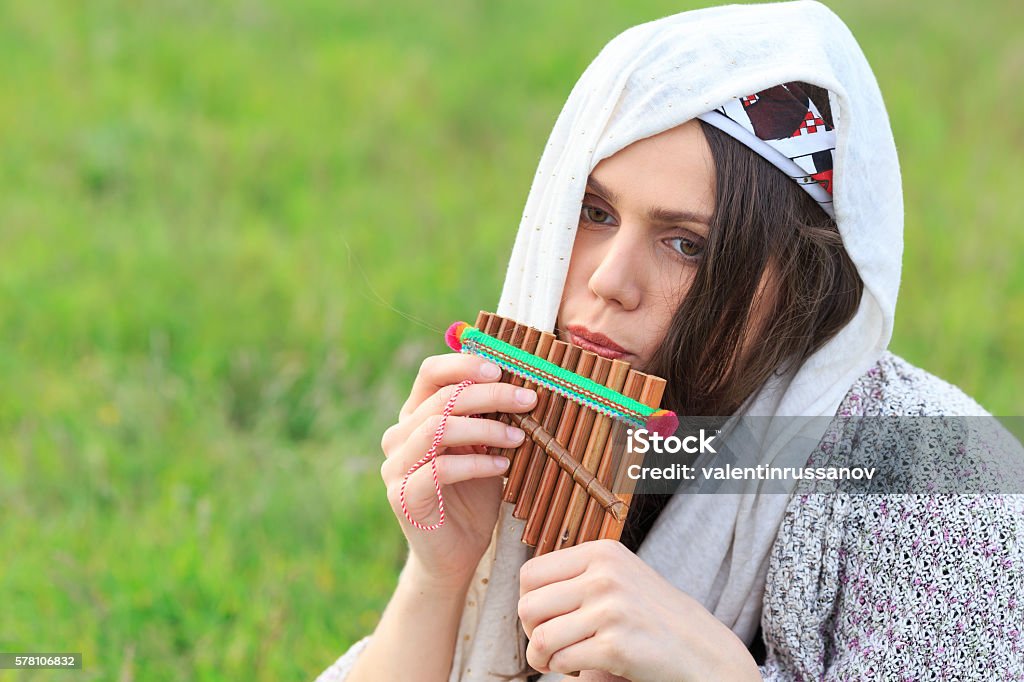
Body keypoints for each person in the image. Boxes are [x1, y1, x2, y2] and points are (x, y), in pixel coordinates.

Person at [317, 2, 1024, 680]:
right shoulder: (543, 436)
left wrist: (718, 675)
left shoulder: (945, 479)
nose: (609, 281)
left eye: (686, 244)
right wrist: (439, 578)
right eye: (594, 212)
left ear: (807, 283)